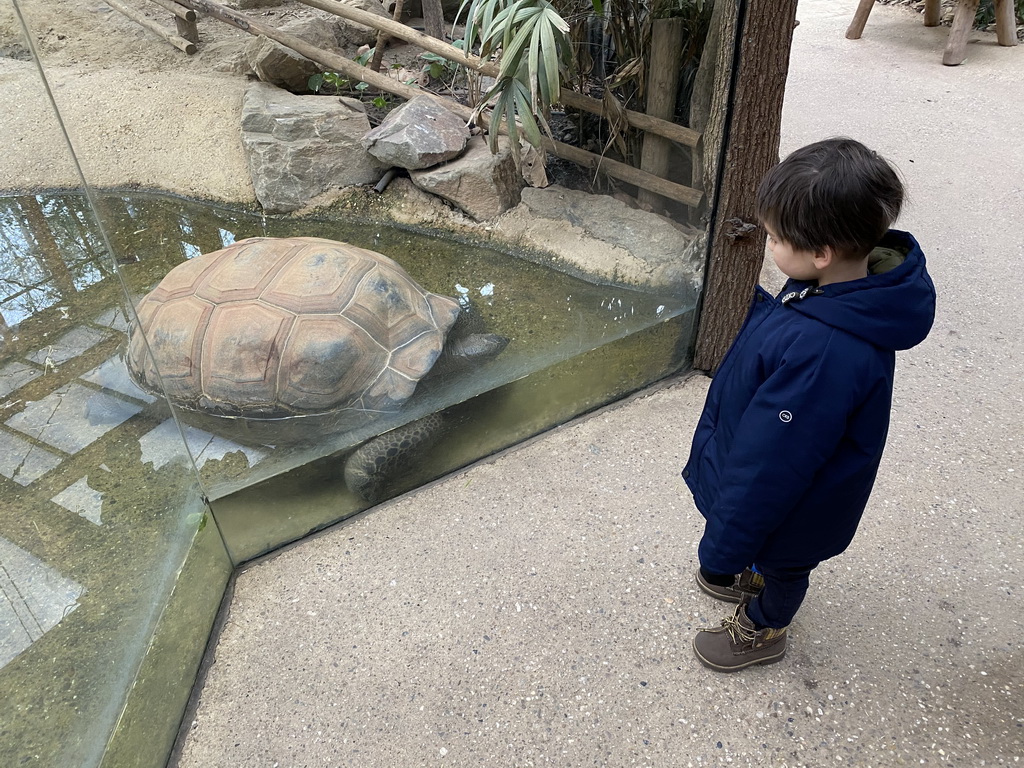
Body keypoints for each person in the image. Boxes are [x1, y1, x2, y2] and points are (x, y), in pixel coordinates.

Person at [682, 137, 936, 672]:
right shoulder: (839, 292)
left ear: (820, 253)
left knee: (786, 561)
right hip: (792, 484)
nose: (768, 244)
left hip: (800, 503)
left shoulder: (823, 353)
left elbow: (770, 467)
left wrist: (722, 546)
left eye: (775, 237)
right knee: (767, 539)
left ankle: (765, 625)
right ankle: (752, 564)